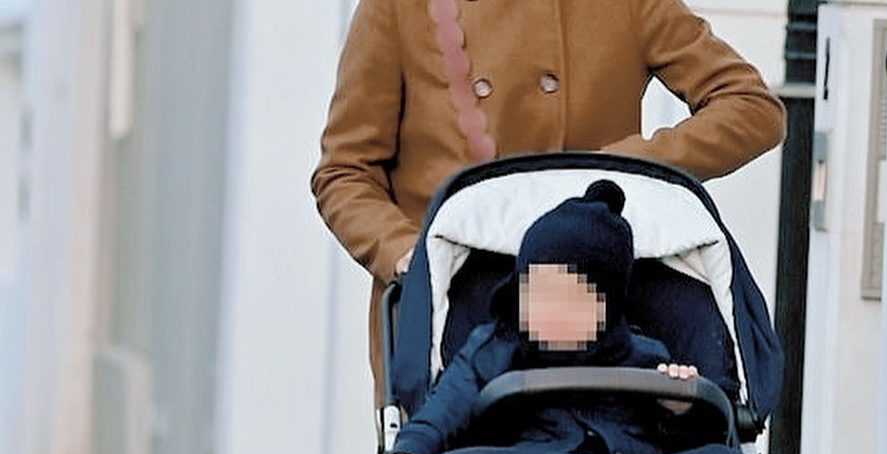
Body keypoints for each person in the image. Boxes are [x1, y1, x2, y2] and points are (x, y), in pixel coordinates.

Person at [310, 0, 787, 403]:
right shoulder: (398, 7)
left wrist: (621, 169)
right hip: (454, 315)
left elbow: (751, 108)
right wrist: (406, 255)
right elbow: (345, 172)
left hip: (596, 314)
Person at [375, 180, 701, 454]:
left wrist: (681, 406)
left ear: (607, 307)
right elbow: (445, 408)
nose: (548, 310)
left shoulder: (644, 358)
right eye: (535, 294)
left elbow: (681, 440)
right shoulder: (493, 350)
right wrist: (411, 452)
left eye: (570, 298)